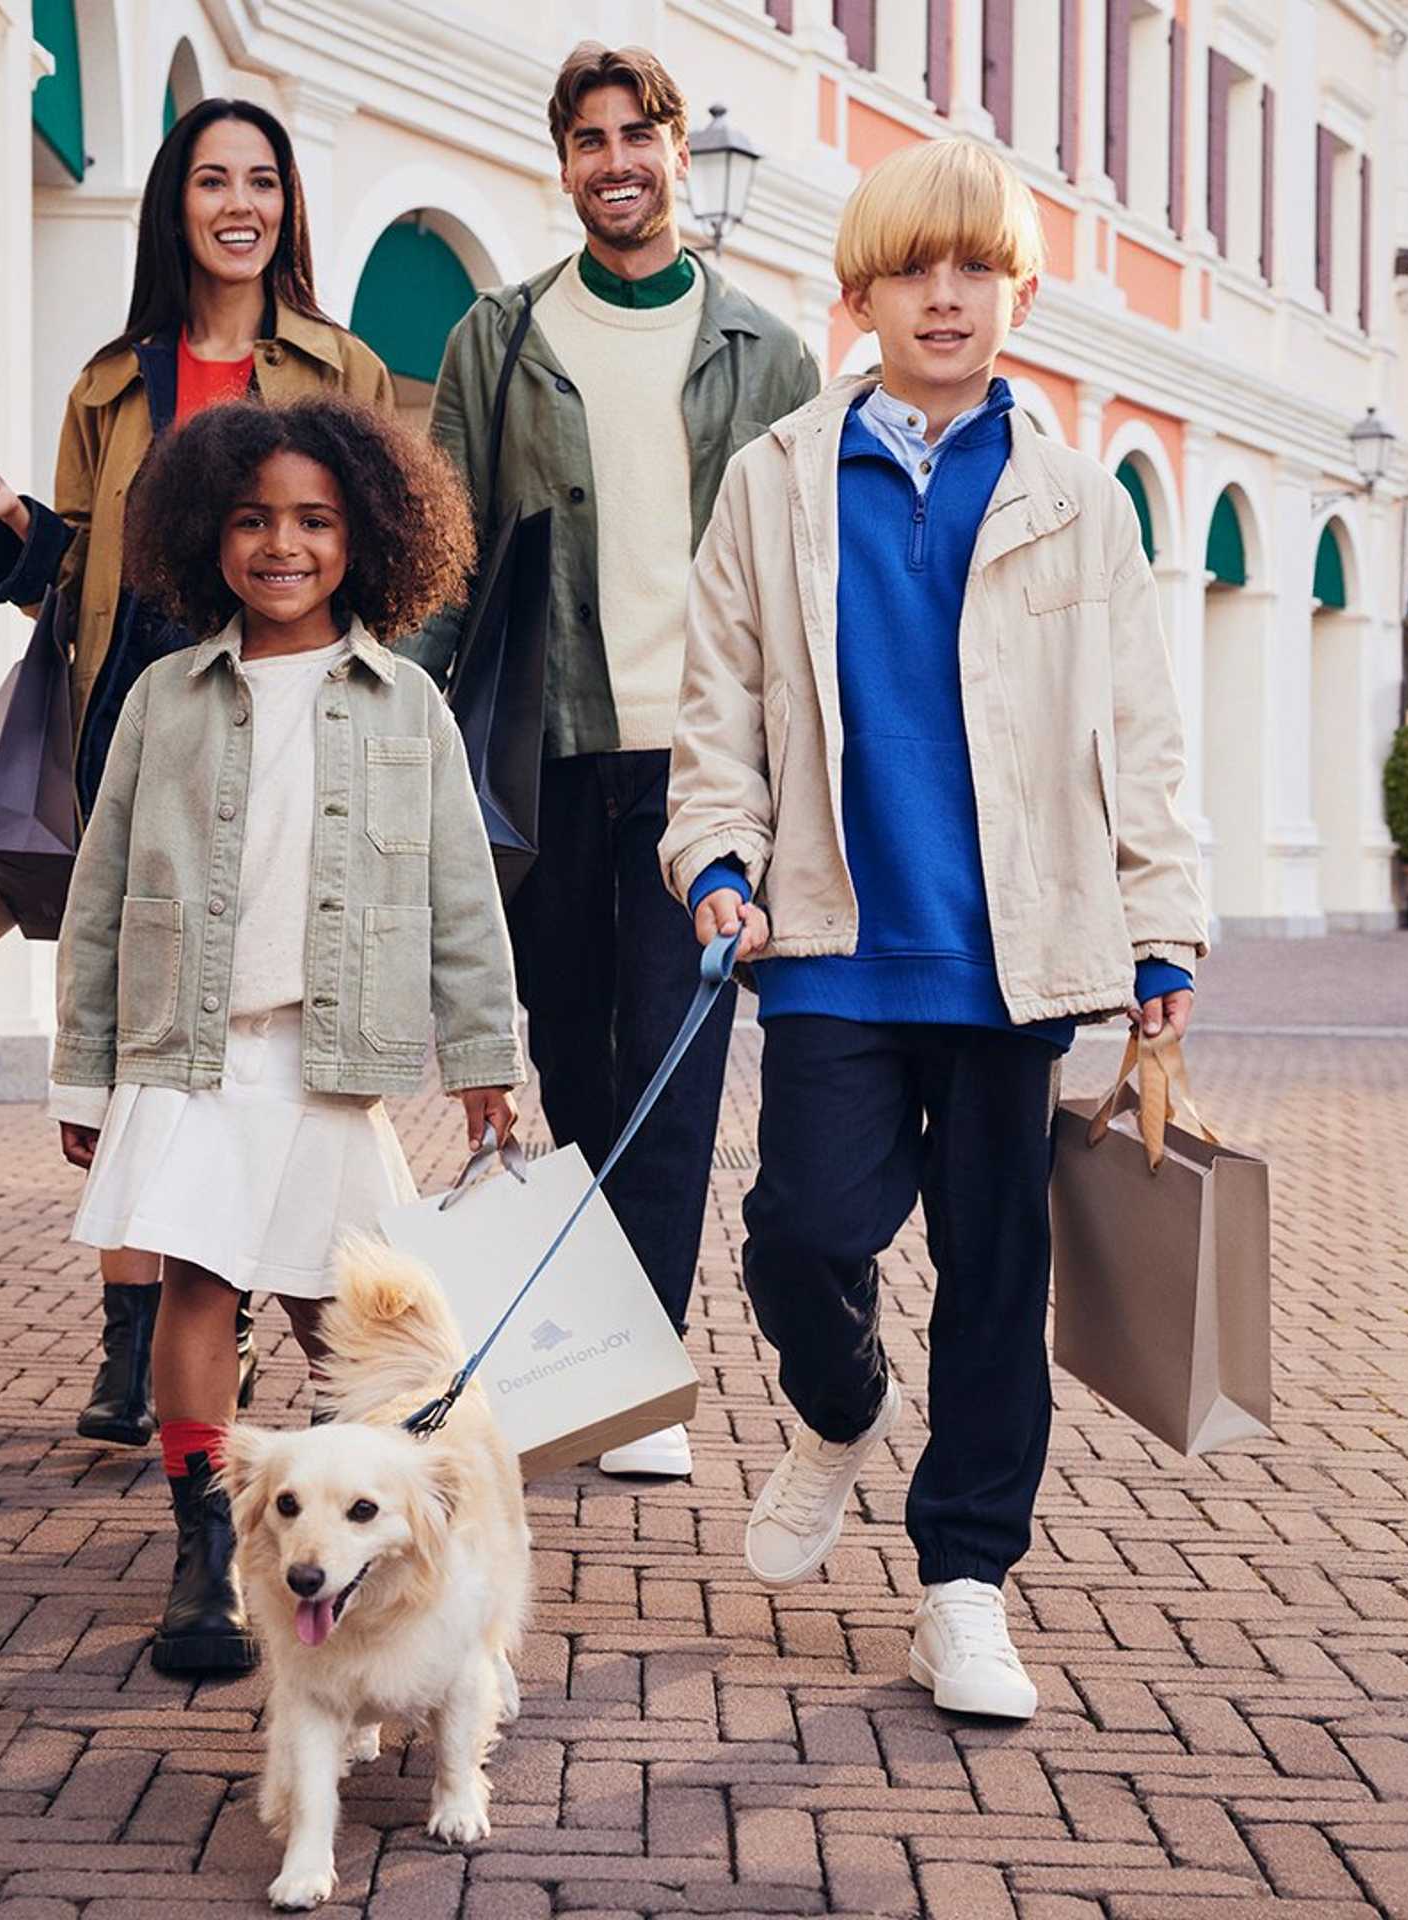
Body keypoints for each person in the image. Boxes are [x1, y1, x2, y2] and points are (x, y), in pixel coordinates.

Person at [661, 139, 1208, 1719]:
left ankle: (966, 1585)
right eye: (912, 269)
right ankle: (841, 1406)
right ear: (862, 295)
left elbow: (1141, 730)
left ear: (1018, 292)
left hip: (1013, 960)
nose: (945, 295)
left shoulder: (1077, 499)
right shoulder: (774, 480)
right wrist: (716, 859)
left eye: (976, 268)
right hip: (832, 942)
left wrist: (1161, 930)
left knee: (993, 1282)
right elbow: (718, 712)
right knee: (803, 1234)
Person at [0, 99, 393, 1452]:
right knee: (150, 1026)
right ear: (174, 205)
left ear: (286, 205)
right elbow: (75, 581)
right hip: (144, 719)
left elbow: (381, 557)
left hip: (292, 717)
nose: (239, 204)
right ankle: (138, 1332)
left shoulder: (342, 369)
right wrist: (18, 525)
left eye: (262, 180)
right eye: (212, 180)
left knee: (266, 1024)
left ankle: (243, 1308)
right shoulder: (108, 384)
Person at [48, 396, 523, 1674]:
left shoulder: (407, 705)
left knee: (348, 1319)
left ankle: (383, 1548)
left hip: (329, 1065)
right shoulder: (162, 698)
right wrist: (84, 1070)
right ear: (207, 534)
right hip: (191, 1054)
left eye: (315, 521)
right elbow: (101, 894)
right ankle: (208, 1554)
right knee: (199, 1287)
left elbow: (461, 897)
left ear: (365, 537)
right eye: (253, 519)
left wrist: (486, 1057)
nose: (283, 545)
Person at [404, 43, 820, 1482]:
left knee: (677, 1063)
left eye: (638, 135)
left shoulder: (767, 353)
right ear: (565, 163)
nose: (616, 161)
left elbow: (808, 577)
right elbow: (446, 554)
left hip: (706, 766)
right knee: (572, 1057)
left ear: (676, 154)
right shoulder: (499, 338)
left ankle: (641, 1381)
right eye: (589, 140)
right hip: (549, 759)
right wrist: (396, 704)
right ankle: (598, 1351)